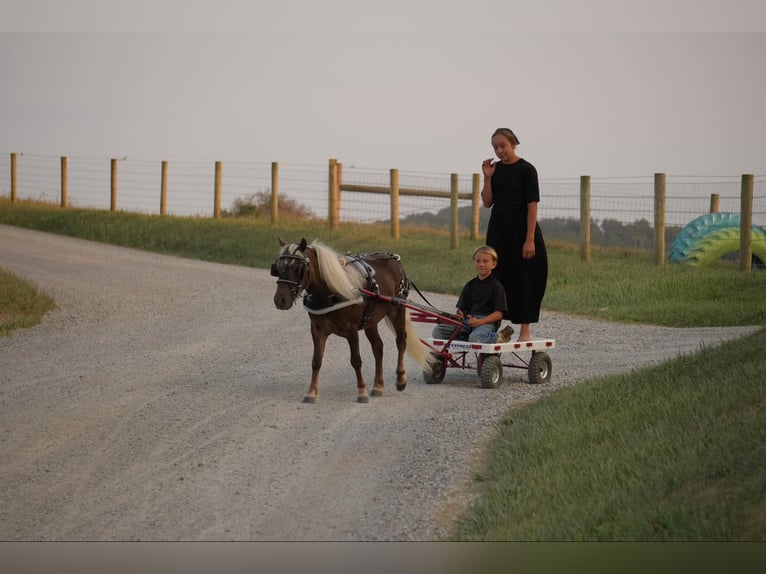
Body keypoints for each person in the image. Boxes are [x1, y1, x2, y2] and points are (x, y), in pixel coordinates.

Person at [481, 127, 548, 342]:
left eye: (503, 146)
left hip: (521, 230)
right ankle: (493, 330)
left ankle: (524, 332)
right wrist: (488, 178)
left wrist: (529, 240)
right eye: (495, 147)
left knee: (524, 278)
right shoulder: (495, 170)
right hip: (499, 229)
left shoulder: (527, 170)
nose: (499, 151)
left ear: (513, 144)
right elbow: (487, 202)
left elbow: (532, 207)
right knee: (497, 277)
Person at [431, 245, 514, 344]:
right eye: (478, 261)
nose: (481, 264)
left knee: (476, 337)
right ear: (474, 262)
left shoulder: (497, 286)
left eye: (485, 261)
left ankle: (500, 336)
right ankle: (472, 338)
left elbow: (498, 314)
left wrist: (480, 322)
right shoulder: (469, 285)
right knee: (438, 332)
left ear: (494, 264)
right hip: (468, 322)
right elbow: (461, 309)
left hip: (487, 323)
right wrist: (460, 314)